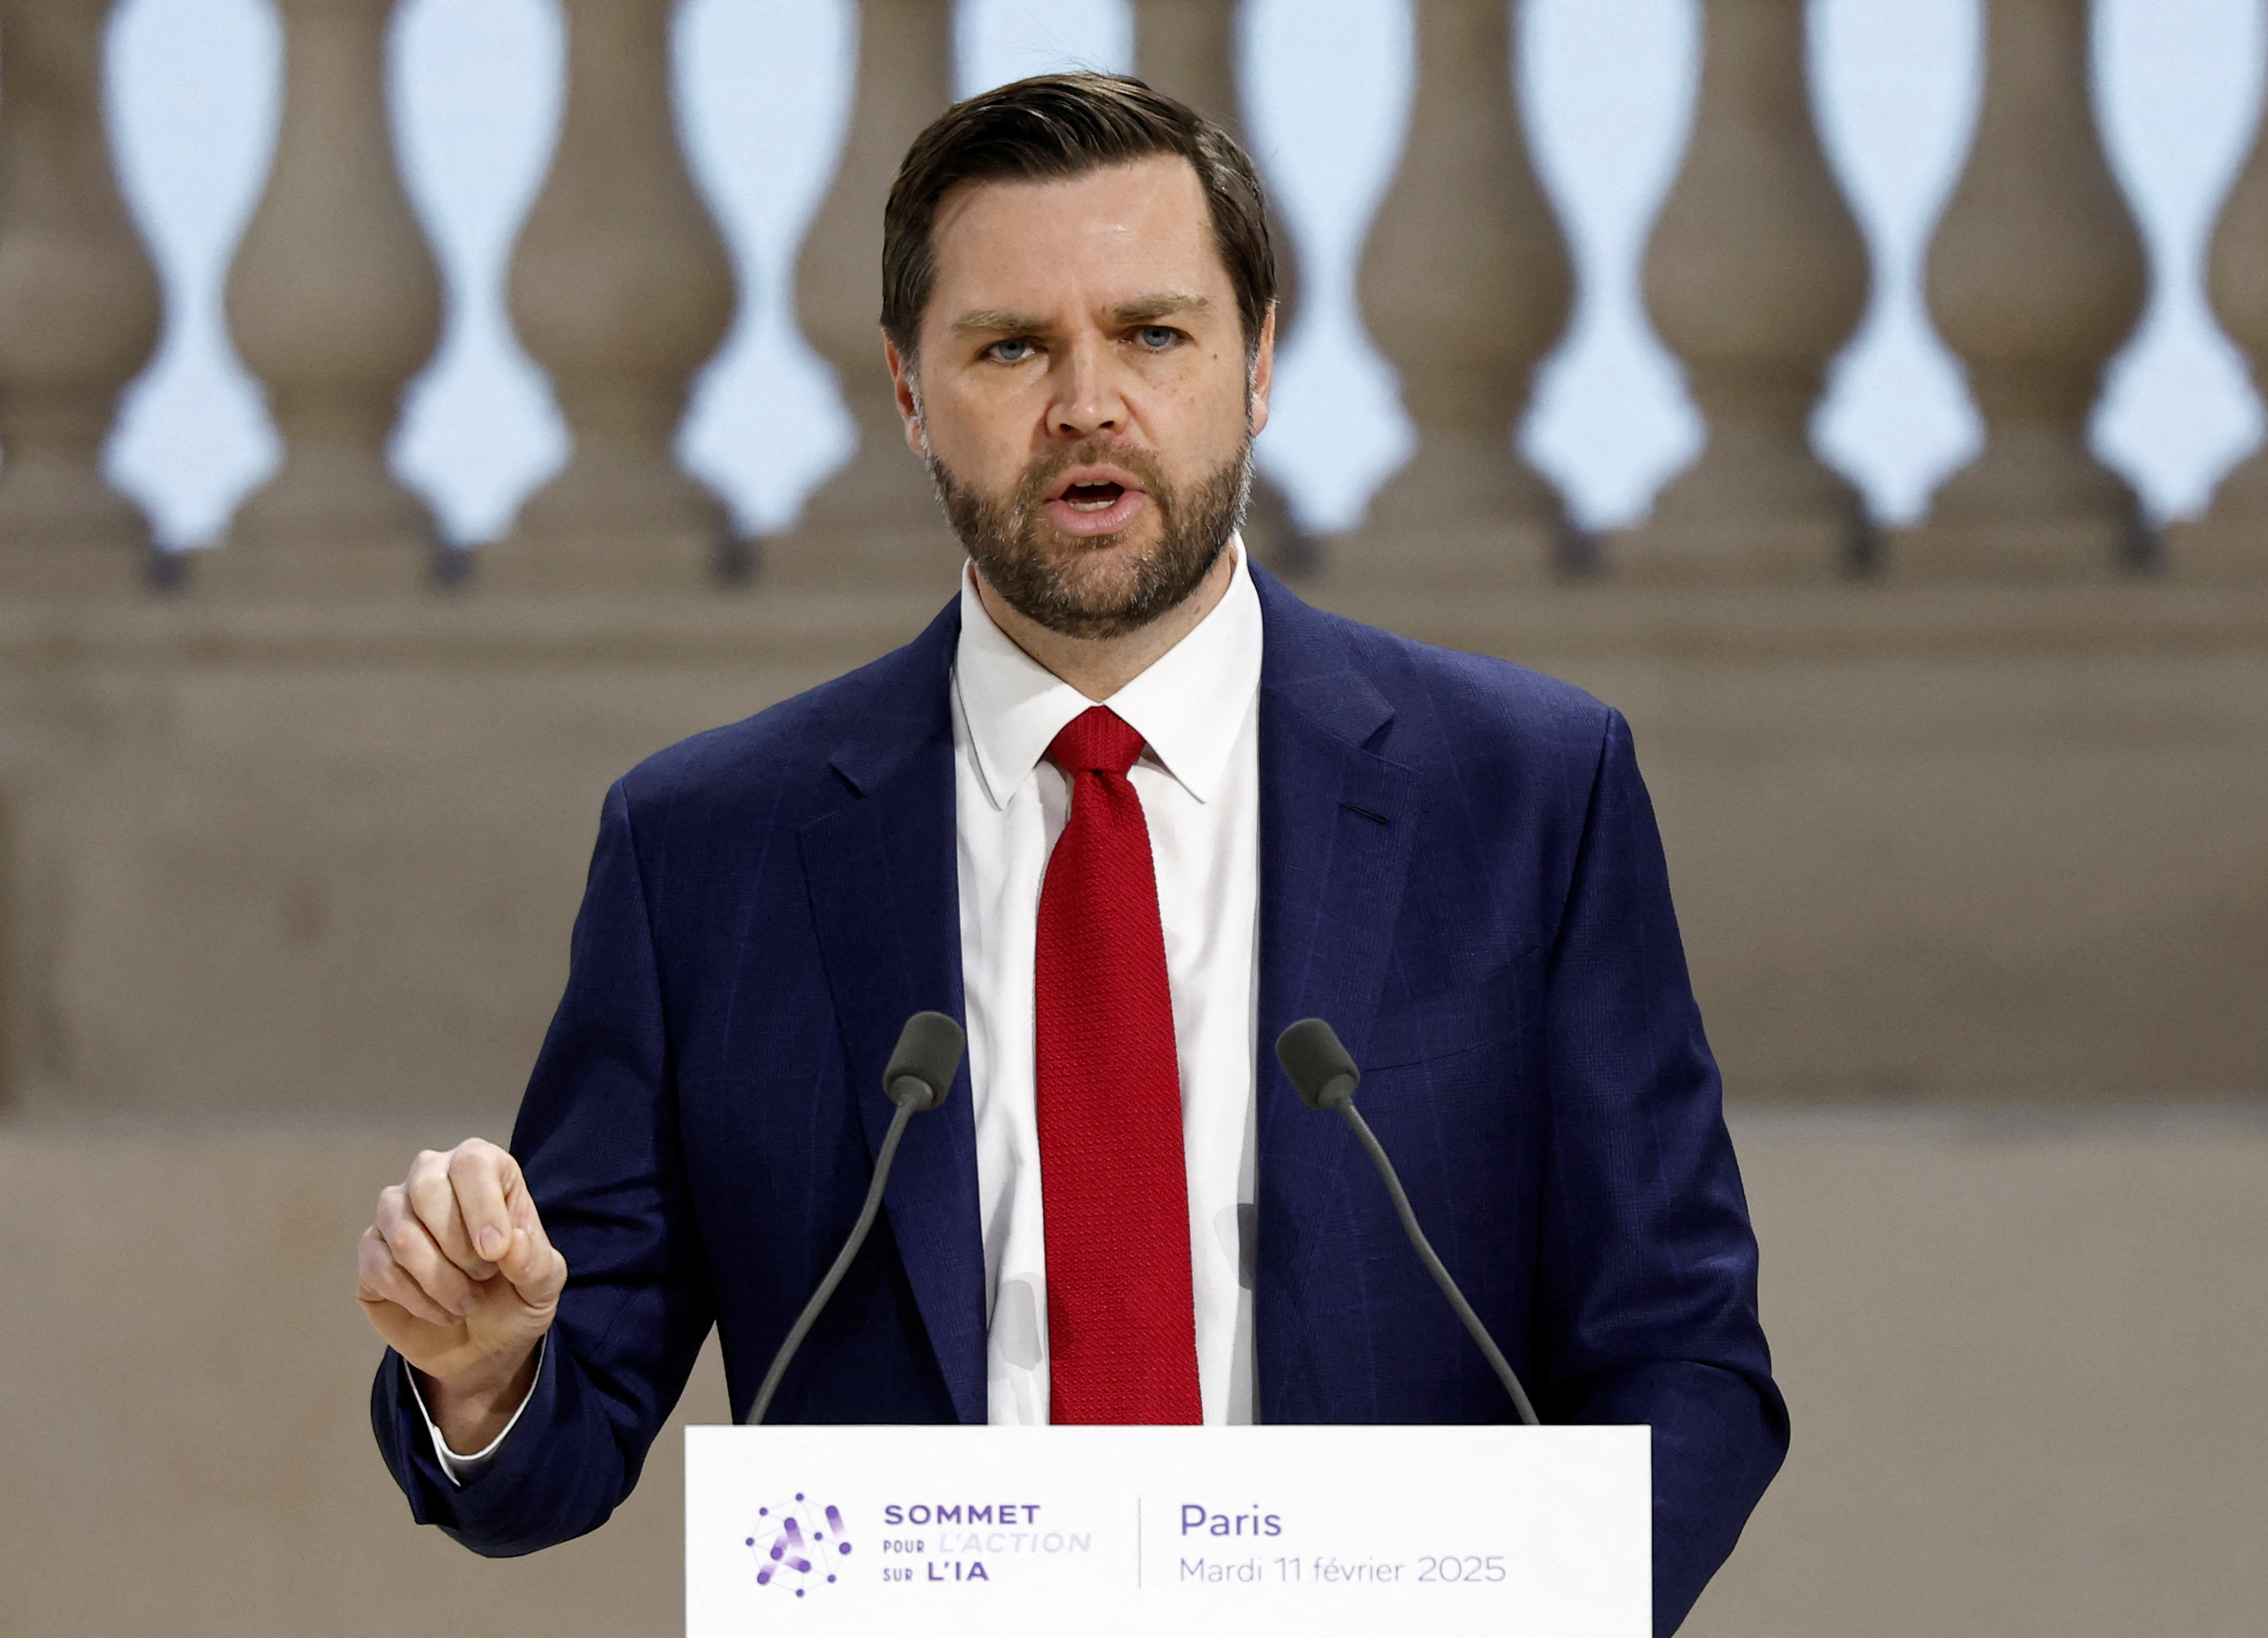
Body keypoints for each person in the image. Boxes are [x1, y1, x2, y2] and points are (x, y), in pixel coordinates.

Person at [356, 72, 1785, 1630]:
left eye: (1154, 334)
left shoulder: (1526, 795)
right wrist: (486, 1373)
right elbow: (564, 1433)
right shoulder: (709, 850)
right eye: (1012, 346)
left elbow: (1683, 1352)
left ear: (1256, 370)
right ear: (910, 393)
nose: (1087, 402)